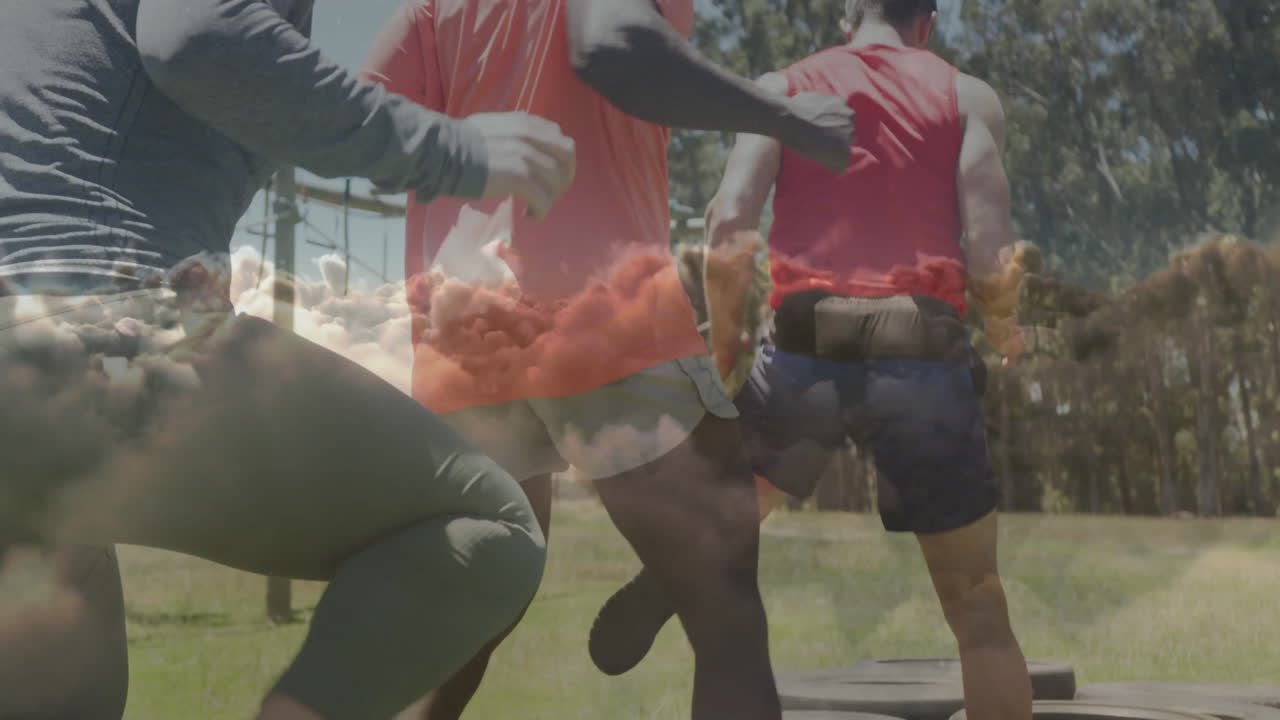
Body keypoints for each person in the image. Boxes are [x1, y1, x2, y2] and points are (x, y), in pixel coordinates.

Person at [0, 0, 578, 717]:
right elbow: (198, 36)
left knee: (66, 701)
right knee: (489, 524)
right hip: (102, 320)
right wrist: (450, 149)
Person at [360, 1, 854, 718]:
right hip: (603, 317)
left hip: (463, 334)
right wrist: (786, 116)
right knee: (725, 615)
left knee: (468, 623)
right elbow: (615, 46)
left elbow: (365, 120)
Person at [587, 2, 1036, 720]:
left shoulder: (784, 88)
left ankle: (680, 568)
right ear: (927, 22)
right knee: (978, 603)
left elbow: (728, 222)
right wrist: (1005, 330)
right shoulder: (969, 98)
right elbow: (990, 252)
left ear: (849, 16)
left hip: (806, 346)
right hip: (920, 352)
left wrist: (725, 340)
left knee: (733, 512)